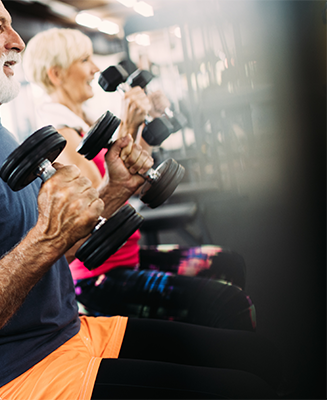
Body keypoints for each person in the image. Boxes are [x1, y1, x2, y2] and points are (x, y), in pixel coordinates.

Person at [0, 0, 284, 398]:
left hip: (72, 333)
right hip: (14, 376)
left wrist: (115, 189)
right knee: (245, 389)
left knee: (260, 356)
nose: (18, 41)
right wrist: (44, 237)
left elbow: (58, 251)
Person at [23, 27, 249, 320]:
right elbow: (97, 209)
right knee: (230, 304)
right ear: (57, 74)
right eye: (84, 61)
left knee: (229, 263)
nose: (94, 69)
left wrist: (146, 124)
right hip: (98, 278)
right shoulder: (58, 136)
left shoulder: (86, 122)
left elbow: (138, 183)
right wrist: (128, 127)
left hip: (129, 256)